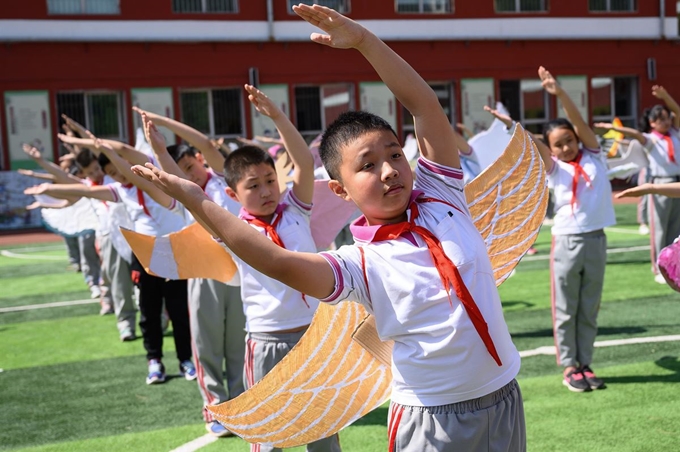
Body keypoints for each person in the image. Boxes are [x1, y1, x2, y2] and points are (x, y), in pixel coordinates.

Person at [133, 5, 524, 451]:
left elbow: (423, 103)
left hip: (505, 397)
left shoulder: (442, 198)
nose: (391, 170)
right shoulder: (357, 263)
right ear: (339, 189)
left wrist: (364, 42)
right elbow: (273, 259)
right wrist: (193, 196)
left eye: (395, 154)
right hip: (433, 417)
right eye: (368, 166)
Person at [26, 138, 195, 385]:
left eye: (118, 170)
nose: (119, 176)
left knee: (179, 310)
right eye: (112, 174)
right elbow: (85, 190)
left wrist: (93, 143)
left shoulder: (155, 180)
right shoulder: (119, 190)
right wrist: (48, 190)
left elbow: (125, 154)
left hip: (174, 251)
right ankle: (154, 361)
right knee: (148, 312)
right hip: (145, 256)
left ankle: (185, 360)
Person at [138, 111, 246, 437]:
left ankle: (241, 406)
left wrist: (166, 123)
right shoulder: (185, 192)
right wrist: (158, 149)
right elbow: (170, 174)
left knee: (239, 343)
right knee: (207, 342)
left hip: (244, 269)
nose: (190, 174)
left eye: (190, 166)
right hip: (205, 270)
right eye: (182, 171)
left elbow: (202, 141)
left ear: (200, 160)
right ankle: (215, 407)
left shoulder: (225, 179)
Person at [531, 67, 615, 392]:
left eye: (569, 140)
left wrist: (559, 93)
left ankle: (586, 362)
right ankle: (569, 365)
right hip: (566, 241)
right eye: (558, 144)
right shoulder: (555, 169)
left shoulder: (594, 154)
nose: (566, 147)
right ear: (552, 150)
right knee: (566, 307)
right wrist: (513, 127)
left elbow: (579, 121)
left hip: (597, 238)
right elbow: (537, 147)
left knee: (590, 304)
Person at [595, 86, 680, 283]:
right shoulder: (650, 139)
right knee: (659, 227)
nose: (665, 122)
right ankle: (659, 267)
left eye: (667, 118)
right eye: (660, 120)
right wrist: (613, 129)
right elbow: (633, 133)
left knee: (676, 227)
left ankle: (675, 265)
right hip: (661, 183)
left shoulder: (675, 133)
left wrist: (666, 95)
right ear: (652, 123)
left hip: (678, 182)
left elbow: (678, 111)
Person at [74, 149, 137, 339]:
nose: (96, 174)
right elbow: (66, 182)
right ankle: (126, 321)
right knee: (119, 281)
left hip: (134, 232)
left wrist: (83, 140)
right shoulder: (89, 186)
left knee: (148, 278)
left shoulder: (115, 179)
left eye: (96, 169)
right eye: (90, 172)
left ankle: (159, 315)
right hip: (110, 235)